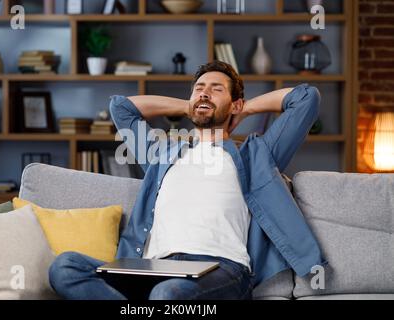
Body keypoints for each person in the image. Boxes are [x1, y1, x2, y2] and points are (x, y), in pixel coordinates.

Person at [48, 61, 327, 300]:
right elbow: (120, 107)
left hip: (221, 269)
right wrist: (191, 105)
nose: (205, 93)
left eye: (216, 89)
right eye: (199, 88)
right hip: (150, 268)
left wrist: (243, 109)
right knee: (65, 267)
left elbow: (306, 98)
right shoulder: (162, 154)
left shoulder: (256, 156)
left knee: (167, 295)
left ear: (235, 103)